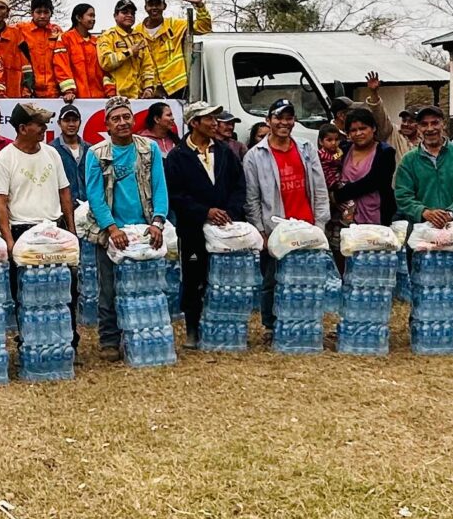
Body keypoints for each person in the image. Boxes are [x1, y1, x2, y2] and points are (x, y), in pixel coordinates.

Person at [82, 98, 171, 355]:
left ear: (133, 120)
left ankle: (145, 336)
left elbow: (159, 187)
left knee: (147, 287)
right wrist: (112, 229)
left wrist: (157, 222)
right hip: (111, 232)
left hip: (144, 231)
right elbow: (95, 197)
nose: (122, 122)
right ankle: (109, 340)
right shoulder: (96, 154)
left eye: (126, 117)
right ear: (107, 125)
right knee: (108, 288)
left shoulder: (149, 148)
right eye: (115, 118)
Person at [242, 98, 331, 323]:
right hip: (276, 229)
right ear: (268, 120)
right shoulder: (255, 155)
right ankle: (272, 325)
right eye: (279, 118)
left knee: (308, 279)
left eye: (289, 118)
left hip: (307, 226)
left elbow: (320, 187)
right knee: (272, 279)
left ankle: (306, 321)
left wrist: (320, 224)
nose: (284, 123)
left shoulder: (306, 148)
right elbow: (251, 198)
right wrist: (260, 230)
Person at [165, 101, 247, 344]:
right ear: (194, 124)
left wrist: (229, 212)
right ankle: (192, 326)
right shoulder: (177, 157)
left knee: (226, 278)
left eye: (215, 118)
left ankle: (222, 327)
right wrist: (205, 212)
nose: (215, 123)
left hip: (225, 227)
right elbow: (175, 195)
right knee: (193, 275)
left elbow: (238, 186)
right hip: (193, 230)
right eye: (209, 119)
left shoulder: (225, 152)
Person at [392, 103, 453, 260]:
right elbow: (403, 195)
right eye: (424, 124)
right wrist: (424, 212)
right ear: (418, 127)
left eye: (435, 123)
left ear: (444, 124)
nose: (430, 128)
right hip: (422, 236)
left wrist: (450, 213)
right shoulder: (409, 160)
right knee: (423, 282)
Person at [0, 101, 76, 244]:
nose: (45, 128)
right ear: (23, 129)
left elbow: (64, 192)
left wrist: (71, 231)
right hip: (22, 232)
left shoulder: (52, 153)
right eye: (39, 124)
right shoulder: (3, 160)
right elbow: (0, 204)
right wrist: (10, 242)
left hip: (55, 228)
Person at [133, 0, 212, 96]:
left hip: (177, 90)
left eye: (158, 4)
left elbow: (204, 27)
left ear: (164, 6)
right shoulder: (136, 33)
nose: (154, 8)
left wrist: (199, 5)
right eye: (151, 4)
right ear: (145, 7)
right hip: (149, 93)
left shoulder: (175, 25)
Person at [331, 107, 398, 227]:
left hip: (375, 218)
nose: (358, 133)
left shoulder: (385, 152)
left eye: (363, 128)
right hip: (345, 219)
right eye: (353, 130)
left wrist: (337, 196)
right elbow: (330, 168)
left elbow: (372, 182)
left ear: (373, 128)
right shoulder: (343, 149)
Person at [10, 0, 67, 97]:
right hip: (28, 92)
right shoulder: (20, 29)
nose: (42, 16)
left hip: (53, 92)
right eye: (38, 12)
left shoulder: (57, 32)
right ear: (32, 13)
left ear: (51, 14)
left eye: (46, 12)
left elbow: (62, 62)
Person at [96, 0, 146, 97]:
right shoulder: (107, 36)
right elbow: (106, 62)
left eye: (132, 13)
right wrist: (129, 52)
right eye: (125, 12)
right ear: (115, 16)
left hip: (140, 97)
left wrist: (149, 88)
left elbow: (148, 66)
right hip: (117, 97)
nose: (129, 15)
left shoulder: (140, 38)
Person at [58, 2, 108, 100]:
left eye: (94, 16)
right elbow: (61, 66)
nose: (93, 19)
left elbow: (105, 70)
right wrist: (68, 91)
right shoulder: (65, 39)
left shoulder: (97, 42)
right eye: (90, 15)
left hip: (99, 98)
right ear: (78, 18)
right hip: (75, 99)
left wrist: (110, 91)